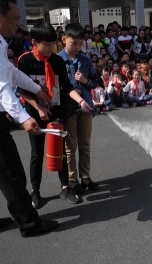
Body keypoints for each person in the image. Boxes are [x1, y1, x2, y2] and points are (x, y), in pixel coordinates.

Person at [0, 0, 58, 237]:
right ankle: (29, 223)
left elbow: (11, 72)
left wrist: (37, 89)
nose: (18, 24)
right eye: (14, 19)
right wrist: (23, 117)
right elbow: (0, 86)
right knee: (11, 172)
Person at [18, 20, 93, 208]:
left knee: (60, 152)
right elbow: (22, 91)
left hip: (57, 114)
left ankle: (65, 186)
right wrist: (39, 107)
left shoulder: (57, 61)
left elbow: (67, 88)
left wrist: (81, 101)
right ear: (34, 42)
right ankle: (35, 191)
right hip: (35, 116)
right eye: (47, 44)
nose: (51, 48)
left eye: (53, 44)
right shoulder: (25, 61)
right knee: (37, 153)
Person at [58, 23, 100, 193]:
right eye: (72, 43)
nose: (76, 47)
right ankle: (72, 179)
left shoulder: (86, 60)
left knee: (85, 145)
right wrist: (68, 91)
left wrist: (84, 81)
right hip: (68, 112)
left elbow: (95, 82)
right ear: (63, 40)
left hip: (86, 109)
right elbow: (55, 87)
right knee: (70, 147)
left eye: (79, 43)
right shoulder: (58, 60)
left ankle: (86, 178)